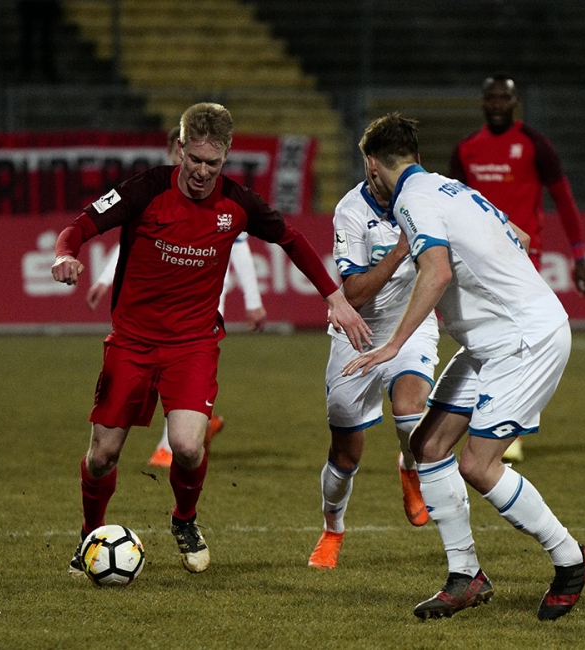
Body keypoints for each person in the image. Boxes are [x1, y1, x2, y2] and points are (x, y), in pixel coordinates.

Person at [52, 102, 371, 576]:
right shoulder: (145, 189)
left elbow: (292, 239)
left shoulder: (238, 203)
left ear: (226, 156)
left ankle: (185, 520)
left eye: (213, 163)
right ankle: (89, 535)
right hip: (132, 342)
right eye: (195, 159)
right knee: (102, 456)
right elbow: (80, 225)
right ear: (181, 149)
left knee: (186, 446)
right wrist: (64, 254)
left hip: (193, 344)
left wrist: (334, 297)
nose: (202, 172)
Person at [345, 113, 585, 621]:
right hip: (492, 341)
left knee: (477, 465)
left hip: (524, 341)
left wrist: (394, 344)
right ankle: (466, 576)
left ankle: (572, 559)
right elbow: (519, 236)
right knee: (427, 446)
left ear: (372, 165)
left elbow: (437, 272)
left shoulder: (412, 200)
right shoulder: (451, 188)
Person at [85, 126, 268, 467]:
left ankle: (171, 445)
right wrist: (104, 279)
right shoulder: (156, 190)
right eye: (180, 154)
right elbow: (134, 244)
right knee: (163, 372)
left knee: (181, 373)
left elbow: (240, 247)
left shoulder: (217, 196)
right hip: (157, 305)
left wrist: (254, 301)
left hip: (202, 300)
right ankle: (199, 427)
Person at [449, 74, 585, 463]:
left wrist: (579, 255)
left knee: (519, 338)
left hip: (522, 258)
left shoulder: (534, 145)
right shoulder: (467, 149)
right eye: (492, 98)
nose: (497, 104)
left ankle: (511, 427)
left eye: (504, 98)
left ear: (515, 102)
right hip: (475, 259)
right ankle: (489, 418)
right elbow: (451, 203)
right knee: (486, 339)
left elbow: (564, 200)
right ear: (483, 102)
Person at [307, 179, 438, 570]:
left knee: (411, 414)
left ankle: (410, 467)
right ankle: (333, 530)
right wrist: (400, 251)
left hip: (410, 327)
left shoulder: (427, 198)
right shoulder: (351, 210)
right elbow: (355, 294)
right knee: (345, 454)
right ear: (371, 165)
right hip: (356, 333)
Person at [17, 0, 61, 82]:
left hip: (39, 5)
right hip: (34, 5)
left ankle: (34, 69)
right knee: (36, 37)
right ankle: (30, 69)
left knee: (43, 37)